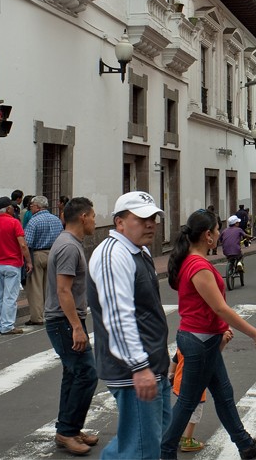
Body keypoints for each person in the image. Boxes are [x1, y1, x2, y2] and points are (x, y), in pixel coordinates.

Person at [161, 209, 256, 460]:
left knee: (224, 394)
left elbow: (208, 307)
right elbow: (219, 307)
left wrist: (221, 326)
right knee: (188, 402)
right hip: (199, 342)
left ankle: (245, 445)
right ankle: (165, 450)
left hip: (204, 339)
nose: (219, 234)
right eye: (216, 230)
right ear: (207, 235)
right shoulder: (197, 265)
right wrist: (255, 334)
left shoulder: (191, 261)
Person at [88, 191, 171, 460]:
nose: (150, 224)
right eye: (142, 218)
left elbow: (147, 310)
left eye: (153, 218)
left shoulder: (139, 251)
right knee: (142, 449)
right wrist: (139, 366)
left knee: (149, 438)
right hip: (133, 368)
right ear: (119, 222)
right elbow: (118, 315)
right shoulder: (114, 255)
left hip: (151, 362)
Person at [46, 197, 100, 456]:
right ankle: (67, 431)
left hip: (65, 320)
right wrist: (77, 327)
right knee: (86, 374)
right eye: (93, 216)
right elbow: (63, 290)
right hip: (64, 322)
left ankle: (69, 428)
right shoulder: (68, 246)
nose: (95, 221)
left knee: (73, 374)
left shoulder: (70, 243)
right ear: (83, 217)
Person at [0, 196, 31, 335]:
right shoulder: (14, 223)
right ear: (9, 209)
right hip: (12, 263)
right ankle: (8, 325)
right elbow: (23, 244)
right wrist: (28, 261)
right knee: (10, 297)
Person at [24, 195, 64, 325]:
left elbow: (27, 242)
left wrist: (27, 261)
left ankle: (37, 317)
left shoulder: (34, 221)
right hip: (53, 253)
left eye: (32, 205)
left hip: (38, 254)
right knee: (49, 286)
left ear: (37, 207)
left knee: (35, 287)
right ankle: (50, 313)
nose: (30, 208)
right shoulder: (56, 220)